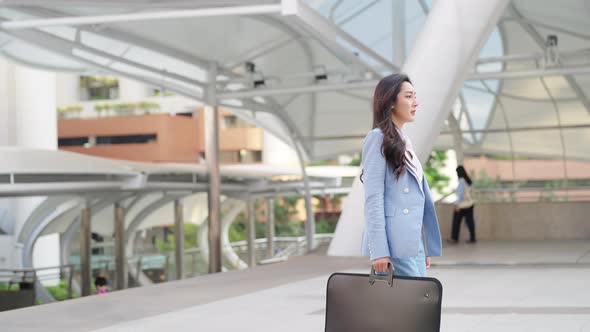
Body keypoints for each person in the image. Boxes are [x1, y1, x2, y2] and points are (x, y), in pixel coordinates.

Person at [360, 73, 442, 277]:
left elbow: (417, 200)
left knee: (419, 303)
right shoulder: (377, 139)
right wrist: (379, 251)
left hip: (410, 243)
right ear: (390, 103)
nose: (416, 102)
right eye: (408, 96)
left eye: (415, 96)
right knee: (409, 304)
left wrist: (421, 245)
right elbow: (374, 198)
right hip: (393, 245)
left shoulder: (404, 141)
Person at [448, 165, 476, 244]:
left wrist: (457, 205)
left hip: (462, 205)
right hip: (470, 204)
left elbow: (460, 195)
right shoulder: (469, 181)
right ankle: (473, 238)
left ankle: (454, 238)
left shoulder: (461, 181)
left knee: (456, 222)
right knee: (470, 222)